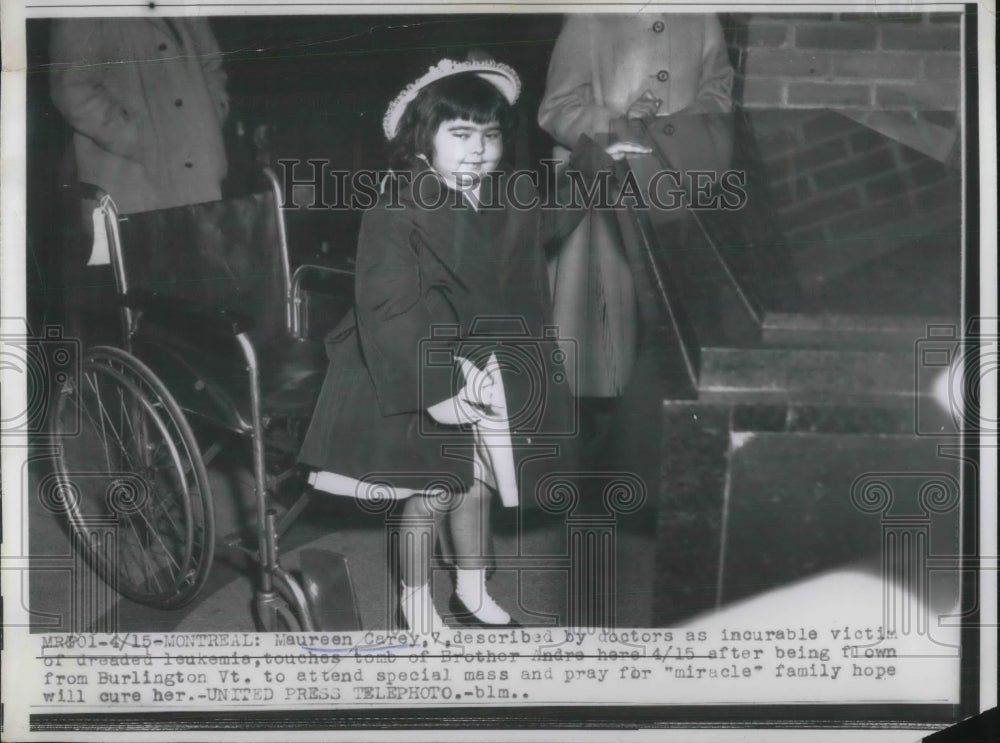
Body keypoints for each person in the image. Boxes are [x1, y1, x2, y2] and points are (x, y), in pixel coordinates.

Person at [298, 59, 647, 632]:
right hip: (418, 365)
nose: (478, 150)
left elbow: (549, 223)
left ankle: (470, 588)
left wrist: (596, 167)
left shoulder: (506, 192)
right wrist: (435, 393)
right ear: (421, 138)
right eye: (459, 135)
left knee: (478, 483)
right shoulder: (397, 205)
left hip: (489, 362)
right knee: (433, 492)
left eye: (489, 135)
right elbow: (389, 306)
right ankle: (414, 603)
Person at [537, 13, 734, 398]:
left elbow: (719, 89)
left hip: (676, 186)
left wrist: (675, 126)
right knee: (605, 336)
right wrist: (619, 122)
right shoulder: (590, 16)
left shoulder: (702, 15)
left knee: (672, 336)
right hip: (603, 193)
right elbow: (556, 107)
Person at [49, 17, 230, 215]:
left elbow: (211, 64)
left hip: (200, 178)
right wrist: (138, 138)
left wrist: (208, 118)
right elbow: (72, 90)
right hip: (133, 189)